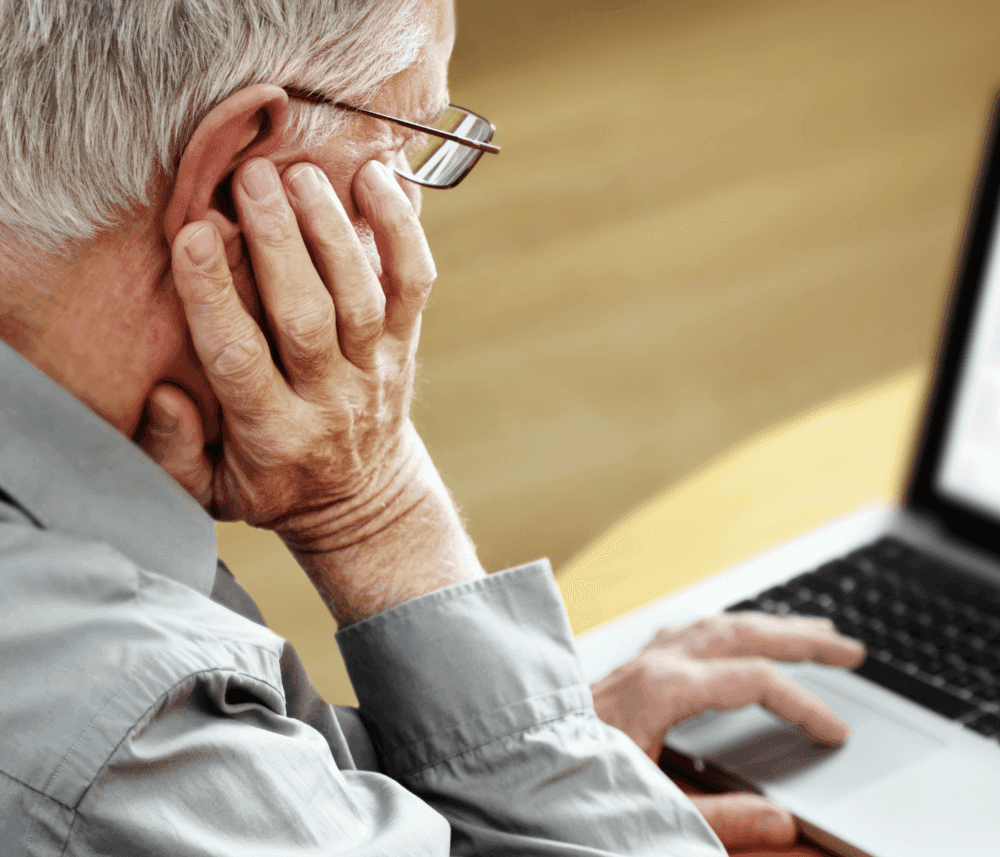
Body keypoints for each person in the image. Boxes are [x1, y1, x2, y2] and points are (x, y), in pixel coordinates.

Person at [0, 1, 865, 854]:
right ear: (240, 180)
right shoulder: (129, 737)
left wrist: (498, 763)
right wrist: (376, 509)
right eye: (402, 151)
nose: (410, 217)